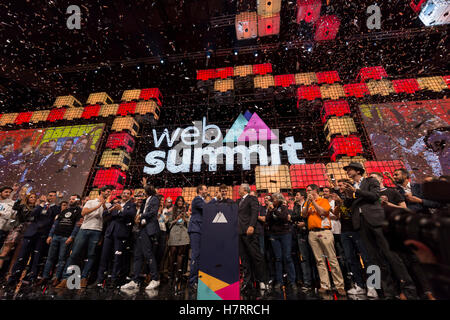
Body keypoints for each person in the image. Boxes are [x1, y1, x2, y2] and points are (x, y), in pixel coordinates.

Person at [343, 162, 416, 299]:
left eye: (350, 169)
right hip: (361, 223)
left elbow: (374, 196)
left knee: (391, 255)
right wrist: (348, 196)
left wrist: (356, 192)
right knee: (375, 259)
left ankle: (409, 290)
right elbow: (349, 205)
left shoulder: (370, 181)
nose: (348, 171)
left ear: (358, 171)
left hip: (376, 221)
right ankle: (388, 292)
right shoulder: (352, 187)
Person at [370, 172, 436, 300]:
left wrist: (387, 204)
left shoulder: (393, 192)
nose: (372, 181)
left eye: (374, 178)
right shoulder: (371, 197)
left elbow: (405, 210)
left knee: (413, 261)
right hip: (384, 232)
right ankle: (403, 291)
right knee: (395, 263)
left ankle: (427, 291)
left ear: (381, 179)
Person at [56, 186, 112, 289]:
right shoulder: (91, 202)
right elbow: (83, 213)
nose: (109, 193)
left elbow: (107, 217)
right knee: (75, 254)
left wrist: (104, 206)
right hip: (84, 229)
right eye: (108, 191)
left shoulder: (108, 205)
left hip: (97, 231)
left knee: (91, 255)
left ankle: (84, 278)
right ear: (102, 192)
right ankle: (65, 278)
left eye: (110, 192)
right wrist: (98, 205)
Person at [333, 179, 376, 298]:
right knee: (350, 259)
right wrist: (339, 202)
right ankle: (360, 285)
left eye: (341, 185)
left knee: (368, 258)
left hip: (359, 230)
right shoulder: (341, 200)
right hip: (345, 232)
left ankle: (373, 286)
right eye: (339, 186)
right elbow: (338, 215)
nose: (339, 187)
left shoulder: (357, 197)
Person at [8, 190, 61, 285]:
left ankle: (30, 277)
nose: (50, 197)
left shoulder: (56, 208)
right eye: (49, 195)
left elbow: (55, 213)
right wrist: (41, 204)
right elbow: (33, 214)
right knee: (22, 256)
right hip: (31, 233)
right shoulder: (40, 206)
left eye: (53, 196)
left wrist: (53, 203)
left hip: (43, 235)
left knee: (36, 258)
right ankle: (14, 277)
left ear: (55, 198)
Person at [302, 184, 345, 295]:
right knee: (319, 260)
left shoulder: (323, 200)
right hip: (312, 233)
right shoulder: (308, 202)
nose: (307, 192)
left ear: (315, 191)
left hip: (324, 232)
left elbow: (322, 212)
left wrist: (314, 202)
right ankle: (325, 285)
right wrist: (308, 202)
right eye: (307, 191)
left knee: (332, 259)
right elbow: (303, 214)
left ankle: (339, 285)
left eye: (309, 190)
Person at [121, 184, 160, 290]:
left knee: (148, 254)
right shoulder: (145, 201)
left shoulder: (155, 199)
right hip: (141, 229)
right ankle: (135, 280)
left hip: (149, 230)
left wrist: (141, 216)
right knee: (137, 255)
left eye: (145, 190)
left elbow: (153, 213)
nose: (143, 192)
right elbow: (143, 214)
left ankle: (155, 279)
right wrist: (139, 218)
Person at [94, 189, 137, 288]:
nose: (125, 195)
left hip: (121, 234)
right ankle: (100, 280)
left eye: (127, 193)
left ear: (130, 196)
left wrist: (121, 209)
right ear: (121, 195)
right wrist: (111, 209)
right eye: (124, 193)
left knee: (117, 258)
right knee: (104, 257)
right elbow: (104, 214)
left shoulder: (132, 205)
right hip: (110, 233)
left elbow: (131, 214)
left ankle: (114, 280)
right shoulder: (115, 204)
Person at [37, 194, 82, 286]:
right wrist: (50, 235)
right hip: (56, 236)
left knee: (62, 259)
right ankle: (45, 277)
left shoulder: (79, 211)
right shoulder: (64, 211)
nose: (71, 200)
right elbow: (55, 224)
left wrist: (72, 237)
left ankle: (57, 278)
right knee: (50, 258)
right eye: (70, 199)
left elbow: (77, 225)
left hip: (66, 237)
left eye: (73, 199)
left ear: (78, 200)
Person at [237, 184, 267, 294]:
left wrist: (251, 226)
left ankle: (262, 280)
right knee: (244, 259)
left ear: (244, 189)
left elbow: (255, 212)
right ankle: (247, 282)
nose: (238, 190)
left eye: (240, 188)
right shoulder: (238, 201)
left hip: (249, 232)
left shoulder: (252, 198)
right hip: (240, 233)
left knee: (256, 256)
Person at [266, 193, 297, 293]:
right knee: (278, 258)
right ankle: (279, 281)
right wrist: (270, 211)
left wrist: (274, 210)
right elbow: (267, 220)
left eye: (274, 199)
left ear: (279, 199)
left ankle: (292, 281)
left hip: (285, 234)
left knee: (287, 257)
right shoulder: (271, 209)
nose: (272, 201)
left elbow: (284, 217)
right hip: (274, 235)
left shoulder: (283, 207)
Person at [0, 190, 36, 273]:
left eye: (34, 197)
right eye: (31, 197)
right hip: (17, 229)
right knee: (5, 251)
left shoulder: (36, 209)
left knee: (17, 254)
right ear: (27, 198)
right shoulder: (22, 206)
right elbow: (15, 207)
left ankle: (9, 274)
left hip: (26, 232)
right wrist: (20, 198)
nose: (33, 198)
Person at [291, 191, 315, 291]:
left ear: (302, 196)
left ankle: (316, 281)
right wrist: (299, 220)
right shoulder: (296, 206)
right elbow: (293, 217)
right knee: (304, 258)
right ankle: (307, 282)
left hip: (311, 231)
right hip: (300, 233)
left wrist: (304, 223)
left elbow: (311, 216)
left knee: (315, 258)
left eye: (297, 195)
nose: (295, 197)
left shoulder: (310, 203)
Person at [187, 185, 208, 294]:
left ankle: (197, 279)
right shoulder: (197, 199)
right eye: (205, 189)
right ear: (200, 190)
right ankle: (192, 281)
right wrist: (215, 200)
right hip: (196, 230)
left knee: (199, 255)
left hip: (201, 230)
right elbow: (207, 208)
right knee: (196, 254)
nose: (207, 191)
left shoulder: (202, 200)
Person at [167, 196, 190, 284]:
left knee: (181, 254)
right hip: (174, 233)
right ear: (176, 202)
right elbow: (168, 223)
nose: (180, 202)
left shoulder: (186, 211)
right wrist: (175, 220)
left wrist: (185, 219)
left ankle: (178, 275)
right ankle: (171, 274)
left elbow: (189, 223)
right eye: (178, 201)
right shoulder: (172, 211)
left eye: (181, 201)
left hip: (183, 233)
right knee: (172, 253)